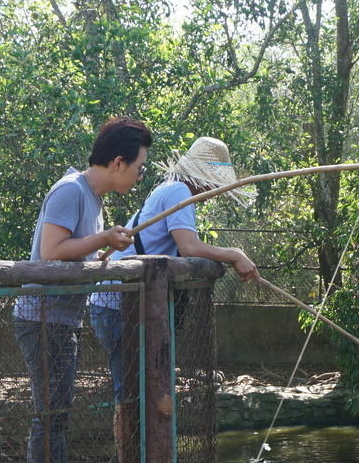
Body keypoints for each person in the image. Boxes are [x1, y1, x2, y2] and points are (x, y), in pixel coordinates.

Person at [15, 117, 148, 463]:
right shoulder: (70, 191)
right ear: (119, 162)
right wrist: (104, 239)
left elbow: (75, 252)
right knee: (50, 410)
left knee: (58, 408)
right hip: (41, 318)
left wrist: (102, 249)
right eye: (140, 167)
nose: (139, 176)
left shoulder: (93, 199)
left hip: (60, 320)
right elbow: (52, 250)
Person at [88, 136, 260, 409]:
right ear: (203, 176)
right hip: (117, 304)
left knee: (145, 389)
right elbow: (188, 246)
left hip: (121, 302)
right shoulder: (179, 192)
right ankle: (137, 450)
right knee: (134, 393)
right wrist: (234, 254)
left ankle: (146, 449)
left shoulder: (170, 189)